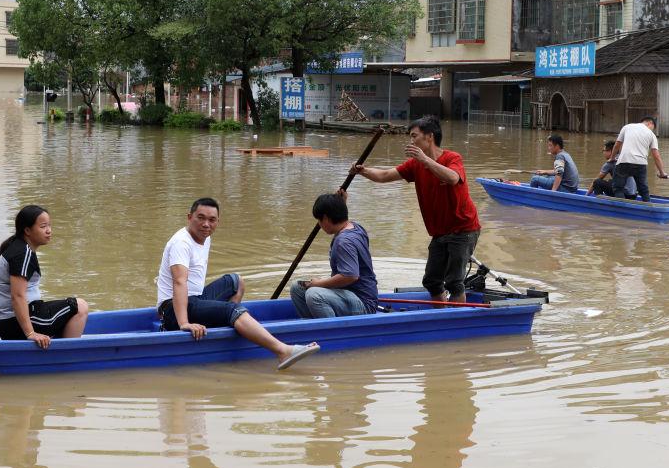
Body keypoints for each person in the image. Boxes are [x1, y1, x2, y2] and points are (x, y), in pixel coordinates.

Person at [157, 197, 320, 371]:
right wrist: (184, 324)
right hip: (172, 311)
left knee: (236, 282)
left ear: (217, 222)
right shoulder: (181, 243)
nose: (206, 224)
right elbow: (180, 282)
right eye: (200, 218)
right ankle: (282, 351)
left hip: (193, 299)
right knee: (232, 310)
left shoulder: (204, 237)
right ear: (189, 217)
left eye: (211, 220)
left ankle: (230, 324)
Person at [350, 115, 481, 304]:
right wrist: (363, 171)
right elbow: (386, 175)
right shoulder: (415, 164)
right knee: (432, 281)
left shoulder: (452, 158)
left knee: (454, 282)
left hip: (463, 229)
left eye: (414, 136)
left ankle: (456, 321)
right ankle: (440, 315)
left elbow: (453, 178)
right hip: (440, 231)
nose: (411, 141)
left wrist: (425, 160)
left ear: (429, 137)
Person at [0, 205, 89, 348]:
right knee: (80, 306)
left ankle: (58, 343)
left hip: (11, 320)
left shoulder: (18, 246)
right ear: (27, 230)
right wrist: (31, 334)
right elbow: (17, 296)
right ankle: (66, 355)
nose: (49, 231)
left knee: (69, 308)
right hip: (14, 323)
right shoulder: (22, 254)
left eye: (49, 225)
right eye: (43, 227)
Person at [290, 190, 378, 318]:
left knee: (314, 294)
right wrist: (341, 204)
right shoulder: (355, 227)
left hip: (362, 303)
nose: (319, 225)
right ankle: (312, 327)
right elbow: (341, 220)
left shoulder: (344, 242)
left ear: (325, 218)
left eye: (319, 221)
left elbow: (350, 276)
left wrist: (319, 283)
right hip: (347, 295)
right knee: (297, 288)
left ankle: (332, 332)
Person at [608, 116, 669, 202]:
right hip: (641, 164)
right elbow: (656, 155)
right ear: (649, 123)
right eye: (653, 128)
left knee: (618, 188)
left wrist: (612, 158)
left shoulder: (627, 127)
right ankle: (648, 209)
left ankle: (623, 209)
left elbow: (617, 145)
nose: (652, 130)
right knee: (644, 190)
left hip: (624, 161)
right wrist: (662, 172)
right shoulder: (651, 135)